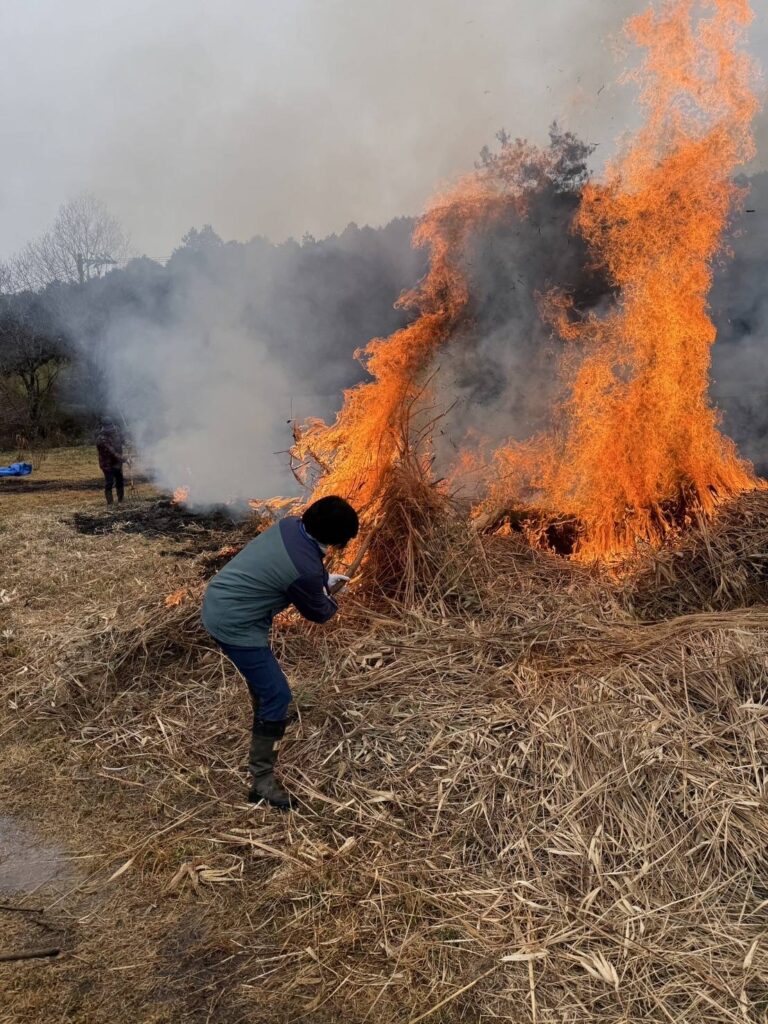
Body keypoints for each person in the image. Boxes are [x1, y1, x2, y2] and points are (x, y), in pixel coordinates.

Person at [201, 495, 359, 810]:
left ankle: (264, 716)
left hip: (220, 598)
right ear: (333, 538)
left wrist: (321, 580)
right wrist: (328, 591)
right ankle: (262, 782)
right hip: (235, 623)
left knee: (266, 689)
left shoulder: (290, 525)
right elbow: (320, 614)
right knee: (278, 696)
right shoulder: (305, 570)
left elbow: (284, 570)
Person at [96, 418, 127, 505]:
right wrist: (124, 459)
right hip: (107, 464)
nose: (110, 429)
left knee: (120, 480)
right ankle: (110, 503)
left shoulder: (116, 431)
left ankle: (121, 500)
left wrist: (126, 441)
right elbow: (112, 452)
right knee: (109, 482)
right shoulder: (101, 439)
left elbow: (122, 439)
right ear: (103, 427)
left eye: (111, 426)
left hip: (117, 463)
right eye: (108, 427)